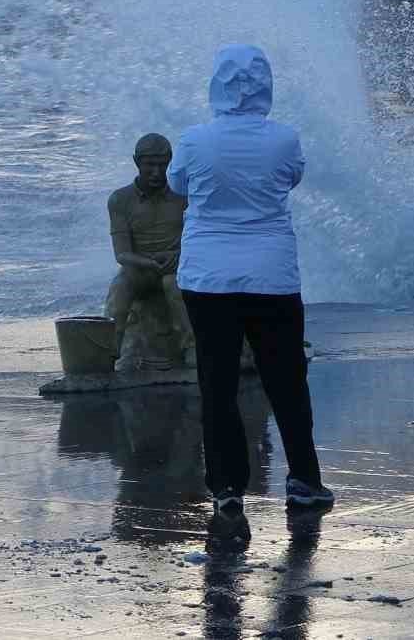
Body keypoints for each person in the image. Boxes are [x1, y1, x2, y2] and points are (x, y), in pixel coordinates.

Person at [167, 44, 333, 520]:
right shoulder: (284, 139)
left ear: (216, 85)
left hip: (207, 279)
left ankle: (226, 489)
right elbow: (291, 179)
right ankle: (303, 479)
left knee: (217, 384)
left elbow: (180, 186)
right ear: (266, 86)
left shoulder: (195, 140)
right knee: (286, 380)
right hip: (272, 277)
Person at [105, 133, 194, 369]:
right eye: (149, 165)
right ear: (136, 162)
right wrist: (149, 262)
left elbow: (198, 241)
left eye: (163, 165)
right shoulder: (120, 199)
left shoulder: (184, 198)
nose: (157, 172)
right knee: (120, 286)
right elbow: (121, 254)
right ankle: (109, 349)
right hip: (139, 270)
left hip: (176, 268)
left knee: (173, 284)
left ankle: (192, 348)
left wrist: (177, 257)